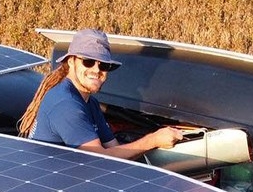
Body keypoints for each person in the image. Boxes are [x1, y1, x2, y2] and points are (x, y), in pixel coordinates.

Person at [18, 29, 182, 158]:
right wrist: (152, 140)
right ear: (70, 61)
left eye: (103, 65)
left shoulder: (90, 103)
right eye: (88, 62)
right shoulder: (65, 105)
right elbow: (99, 159)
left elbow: (115, 150)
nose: (96, 70)